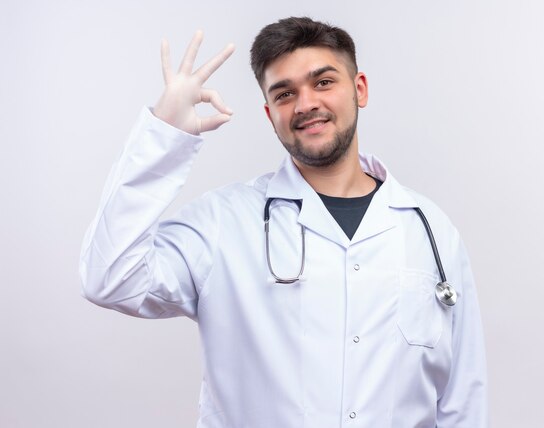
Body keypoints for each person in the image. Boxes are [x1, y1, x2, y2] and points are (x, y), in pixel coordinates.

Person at [80, 16, 488, 428]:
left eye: (323, 82)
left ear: (359, 89)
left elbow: (463, 397)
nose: (306, 104)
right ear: (269, 112)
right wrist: (163, 136)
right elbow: (110, 278)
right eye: (285, 93)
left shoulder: (430, 230)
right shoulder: (223, 223)